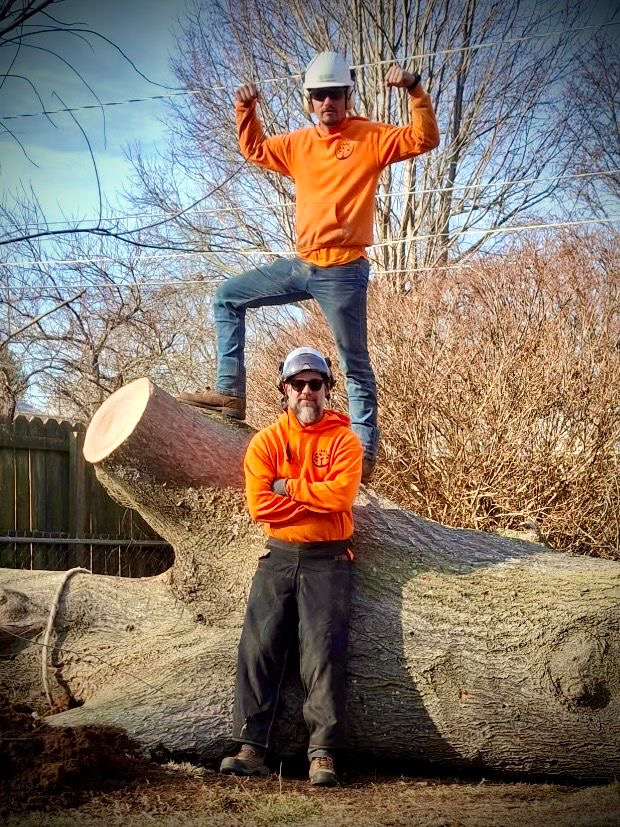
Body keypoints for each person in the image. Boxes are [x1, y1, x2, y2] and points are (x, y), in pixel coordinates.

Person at [180, 51, 440, 481]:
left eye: (335, 95)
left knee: (354, 363)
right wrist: (246, 109)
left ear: (347, 96)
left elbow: (424, 138)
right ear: (308, 100)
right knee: (227, 296)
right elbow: (256, 149)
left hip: (343, 272)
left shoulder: (369, 137)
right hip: (303, 264)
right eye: (319, 96)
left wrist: (413, 89)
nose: (328, 103)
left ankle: (364, 451)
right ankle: (229, 393)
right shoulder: (299, 144)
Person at [219, 346, 363, 787]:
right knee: (258, 649)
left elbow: (341, 498)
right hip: (277, 555)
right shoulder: (265, 442)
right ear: (284, 389)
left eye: (315, 384)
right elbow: (260, 506)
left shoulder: (345, 440)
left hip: (329, 559)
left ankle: (322, 755)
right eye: (297, 383)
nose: (306, 391)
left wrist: (288, 487)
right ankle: (250, 748)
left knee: (321, 654)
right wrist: (310, 498)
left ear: (327, 390)